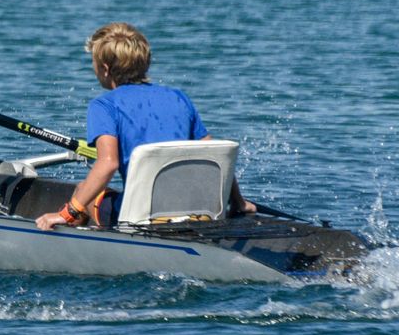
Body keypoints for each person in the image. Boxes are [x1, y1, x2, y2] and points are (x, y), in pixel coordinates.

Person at [35, 22, 255, 230]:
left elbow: (108, 164)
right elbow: (216, 155)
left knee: (84, 190)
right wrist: (239, 202)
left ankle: (82, 240)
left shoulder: (103, 106)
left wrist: (66, 213)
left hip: (139, 217)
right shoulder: (179, 98)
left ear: (104, 69)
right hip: (196, 209)